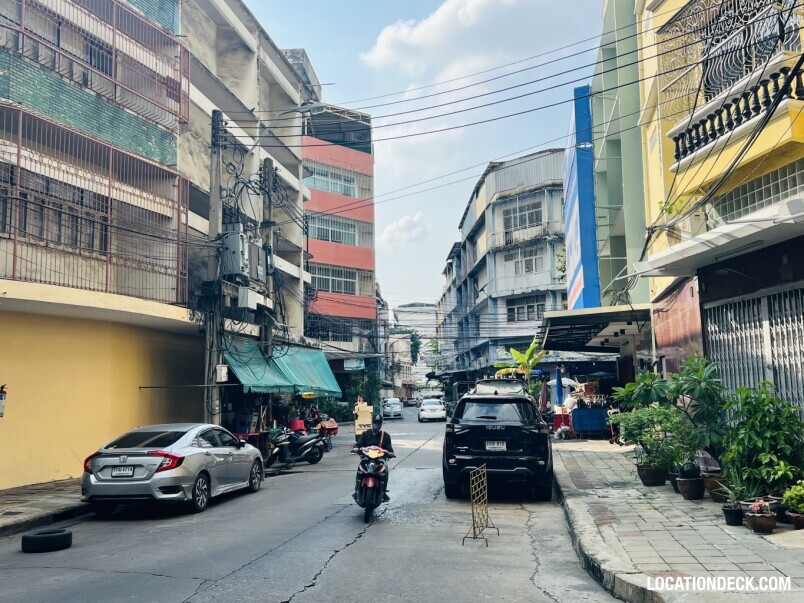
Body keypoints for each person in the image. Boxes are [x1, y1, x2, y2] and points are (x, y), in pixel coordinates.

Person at [353, 414, 394, 501]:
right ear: (372, 422)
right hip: (367, 457)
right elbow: (358, 444)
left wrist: (390, 453)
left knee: (385, 470)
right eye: (375, 422)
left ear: (381, 424)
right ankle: (357, 489)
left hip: (380, 459)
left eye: (379, 423)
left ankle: (383, 491)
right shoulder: (365, 434)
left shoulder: (386, 436)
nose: (377, 424)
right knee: (360, 469)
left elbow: (390, 449)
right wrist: (356, 448)